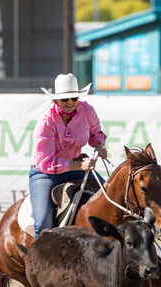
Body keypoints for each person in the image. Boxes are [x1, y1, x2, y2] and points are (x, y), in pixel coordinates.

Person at [29, 73, 108, 237]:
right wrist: (80, 165)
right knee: (43, 225)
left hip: (76, 167)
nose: (70, 102)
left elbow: (96, 134)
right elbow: (46, 163)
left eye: (74, 97)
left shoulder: (87, 111)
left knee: (109, 196)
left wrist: (99, 146)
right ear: (56, 100)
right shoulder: (46, 122)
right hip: (45, 174)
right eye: (65, 99)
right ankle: (39, 252)